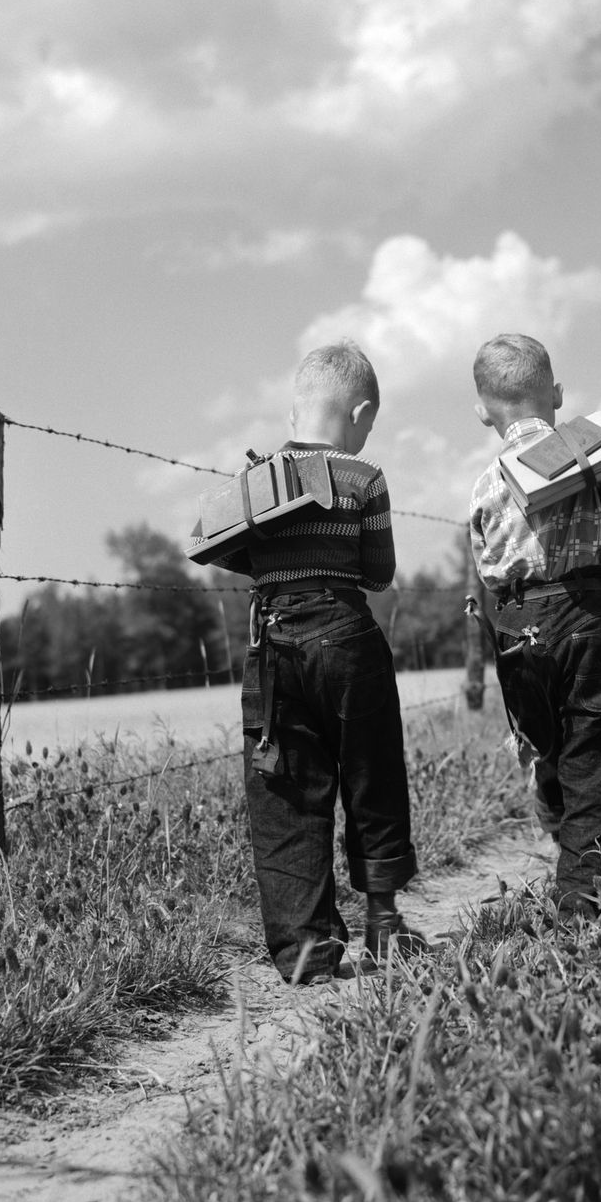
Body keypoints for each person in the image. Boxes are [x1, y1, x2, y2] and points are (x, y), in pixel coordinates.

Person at [214, 341, 424, 984]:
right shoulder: (365, 478)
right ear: (360, 412)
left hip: (272, 646)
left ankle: (305, 949)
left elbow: (232, 554)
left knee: (284, 789)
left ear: (292, 414)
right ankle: (384, 925)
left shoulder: (256, 482)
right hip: (345, 637)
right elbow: (380, 574)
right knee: (372, 775)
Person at [468, 333, 601, 918]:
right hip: (589, 615)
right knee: (597, 755)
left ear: (483, 411)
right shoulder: (592, 453)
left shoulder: (485, 481)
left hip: (519, 626)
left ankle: (559, 818)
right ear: (555, 391)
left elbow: (485, 562)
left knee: (545, 744)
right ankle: (586, 903)